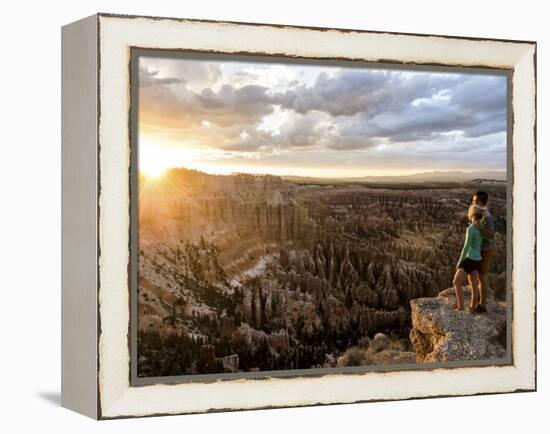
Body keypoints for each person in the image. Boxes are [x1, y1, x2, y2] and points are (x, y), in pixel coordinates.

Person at [452, 204, 485, 312]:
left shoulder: (470, 229)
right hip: (478, 260)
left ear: (471, 214)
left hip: (470, 259)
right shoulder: (482, 228)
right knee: (473, 283)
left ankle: (461, 307)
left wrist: (460, 261)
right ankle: (473, 307)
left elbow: (466, 247)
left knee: (456, 282)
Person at [471, 191, 495, 313]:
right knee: (475, 275)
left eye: (474, 201)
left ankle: (483, 305)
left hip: (484, 250)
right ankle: (479, 297)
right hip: (477, 249)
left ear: (480, 202)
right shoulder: (478, 213)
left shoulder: (487, 217)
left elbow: (491, 236)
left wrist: (480, 227)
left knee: (482, 275)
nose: (472, 203)